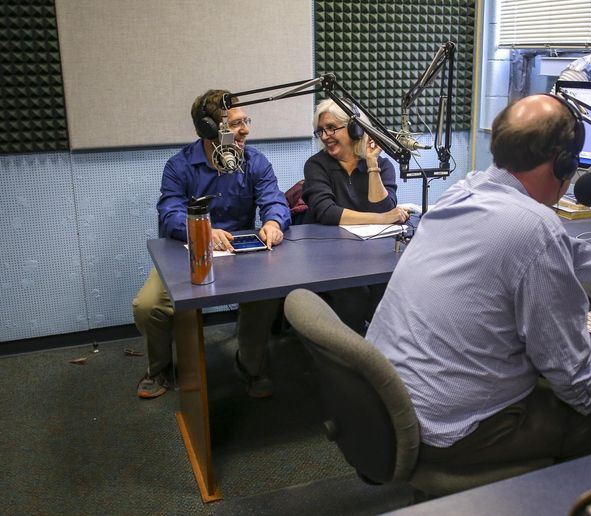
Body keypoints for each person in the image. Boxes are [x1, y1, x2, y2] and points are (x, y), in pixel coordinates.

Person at [366, 94, 591, 470]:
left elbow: (559, 247)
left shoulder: (464, 191)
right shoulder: (535, 229)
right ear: (564, 164)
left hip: (391, 405)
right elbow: (561, 360)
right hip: (452, 433)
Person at [132, 89, 291, 400]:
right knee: (148, 306)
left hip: (241, 255)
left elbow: (274, 199)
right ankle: (161, 367)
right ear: (208, 129)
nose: (245, 130)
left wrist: (273, 221)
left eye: (246, 121)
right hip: (187, 255)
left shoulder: (255, 161)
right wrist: (202, 230)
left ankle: (250, 365)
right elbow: (170, 211)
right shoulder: (179, 166)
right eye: (235, 124)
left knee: (266, 296)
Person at [302, 98, 411, 333]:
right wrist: (382, 219)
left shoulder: (383, 165)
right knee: (354, 296)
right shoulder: (316, 165)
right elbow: (327, 212)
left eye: (332, 128)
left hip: (370, 256)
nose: (325, 136)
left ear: (355, 128)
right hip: (330, 256)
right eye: (321, 130)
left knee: (390, 286)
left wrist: (372, 166)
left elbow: (384, 208)